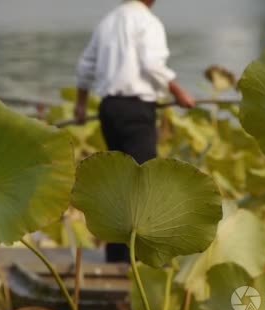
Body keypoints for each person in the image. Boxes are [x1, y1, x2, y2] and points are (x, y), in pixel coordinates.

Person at [74, 0, 195, 263]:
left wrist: (81, 104)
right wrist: (179, 93)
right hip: (136, 109)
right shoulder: (148, 22)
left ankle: (117, 255)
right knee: (143, 182)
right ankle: (140, 258)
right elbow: (153, 65)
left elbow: (85, 66)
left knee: (121, 182)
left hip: (110, 109)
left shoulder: (106, 22)